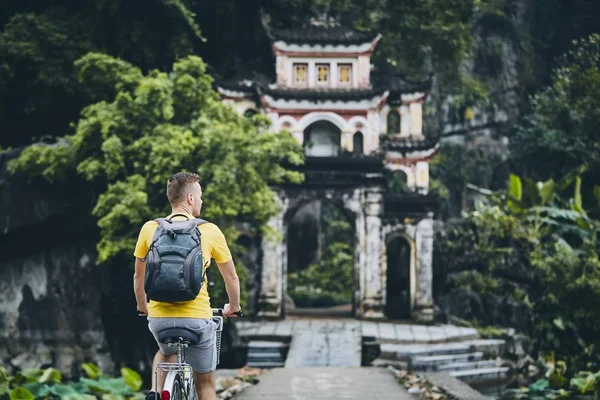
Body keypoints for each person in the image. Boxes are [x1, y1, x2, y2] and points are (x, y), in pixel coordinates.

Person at [133, 172, 242, 400]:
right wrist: (233, 306)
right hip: (197, 320)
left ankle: (155, 392)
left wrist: (142, 306)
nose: (201, 201)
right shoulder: (209, 230)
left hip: (159, 320)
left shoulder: (149, 228)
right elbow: (231, 277)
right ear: (190, 199)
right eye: (200, 196)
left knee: (165, 352)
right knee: (206, 385)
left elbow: (138, 277)